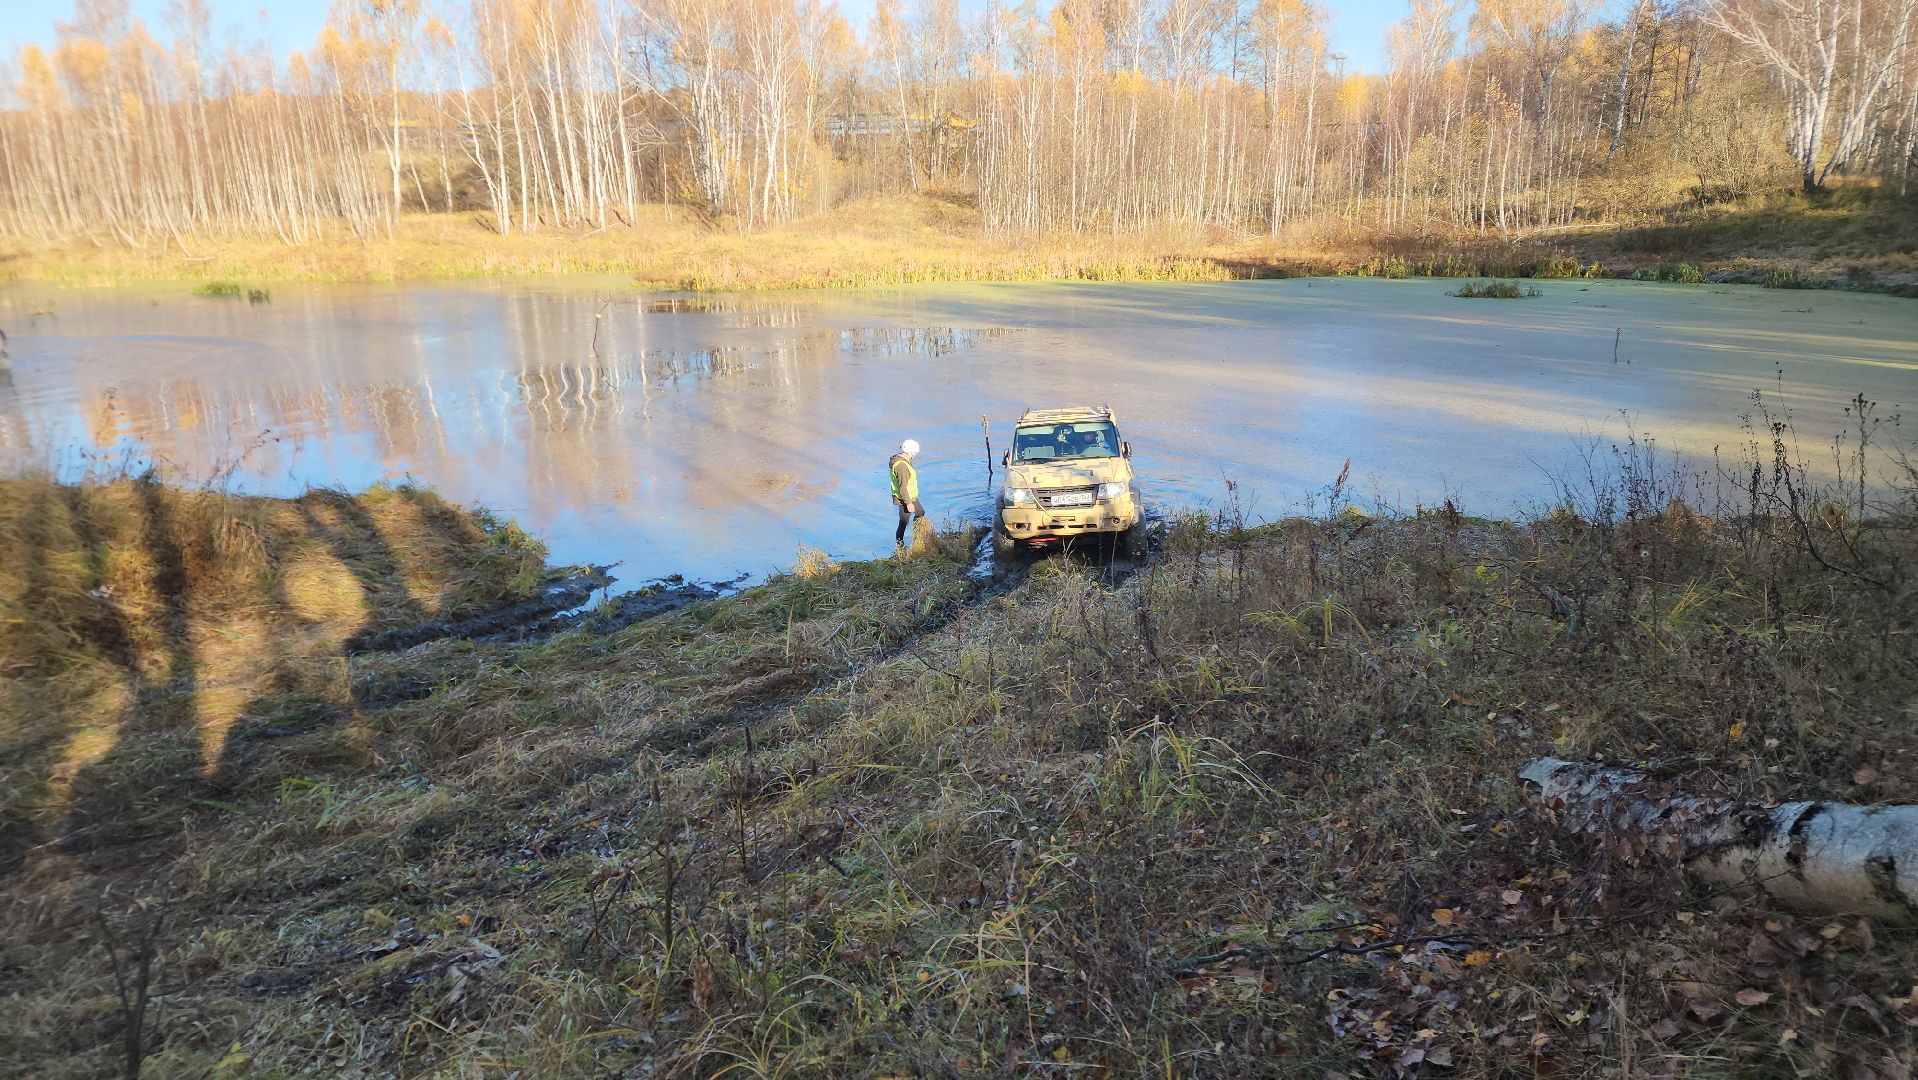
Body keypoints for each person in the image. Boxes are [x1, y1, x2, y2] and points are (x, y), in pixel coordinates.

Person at [889, 439, 924, 546]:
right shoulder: (901, 466)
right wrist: (908, 504)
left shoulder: (904, 459)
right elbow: (903, 487)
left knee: (920, 513)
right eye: (915, 452)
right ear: (910, 452)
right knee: (903, 522)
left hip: (911, 496)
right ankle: (900, 545)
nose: (915, 455)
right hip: (905, 498)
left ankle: (918, 539)